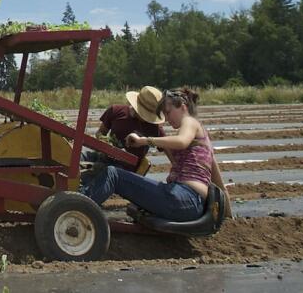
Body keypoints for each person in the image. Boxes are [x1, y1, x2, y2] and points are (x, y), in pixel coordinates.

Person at [81, 88, 230, 222]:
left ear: (183, 106)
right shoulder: (202, 139)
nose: (166, 118)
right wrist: (228, 215)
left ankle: (75, 208)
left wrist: (144, 141)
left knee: (113, 174)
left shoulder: (190, 122)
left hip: (184, 197)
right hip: (188, 202)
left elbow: (181, 141)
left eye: (168, 111)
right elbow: (220, 184)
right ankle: (75, 203)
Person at [83, 85, 165, 172]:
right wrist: (105, 142)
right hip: (104, 156)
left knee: (105, 169)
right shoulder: (116, 110)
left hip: (125, 169)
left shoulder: (155, 128)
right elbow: (100, 133)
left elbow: (166, 147)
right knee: (78, 155)